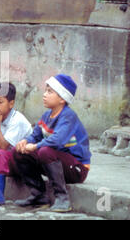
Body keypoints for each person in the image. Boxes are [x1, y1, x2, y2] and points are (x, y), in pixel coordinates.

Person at [11, 74, 91, 213]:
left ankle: (62, 199)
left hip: (77, 168)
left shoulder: (68, 116)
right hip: (56, 160)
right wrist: (25, 142)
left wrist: (34, 146)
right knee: (18, 151)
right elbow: (35, 135)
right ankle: (38, 194)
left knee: (45, 151)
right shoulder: (46, 115)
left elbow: (57, 141)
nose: (44, 95)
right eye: (45, 90)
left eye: (50, 92)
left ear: (62, 98)